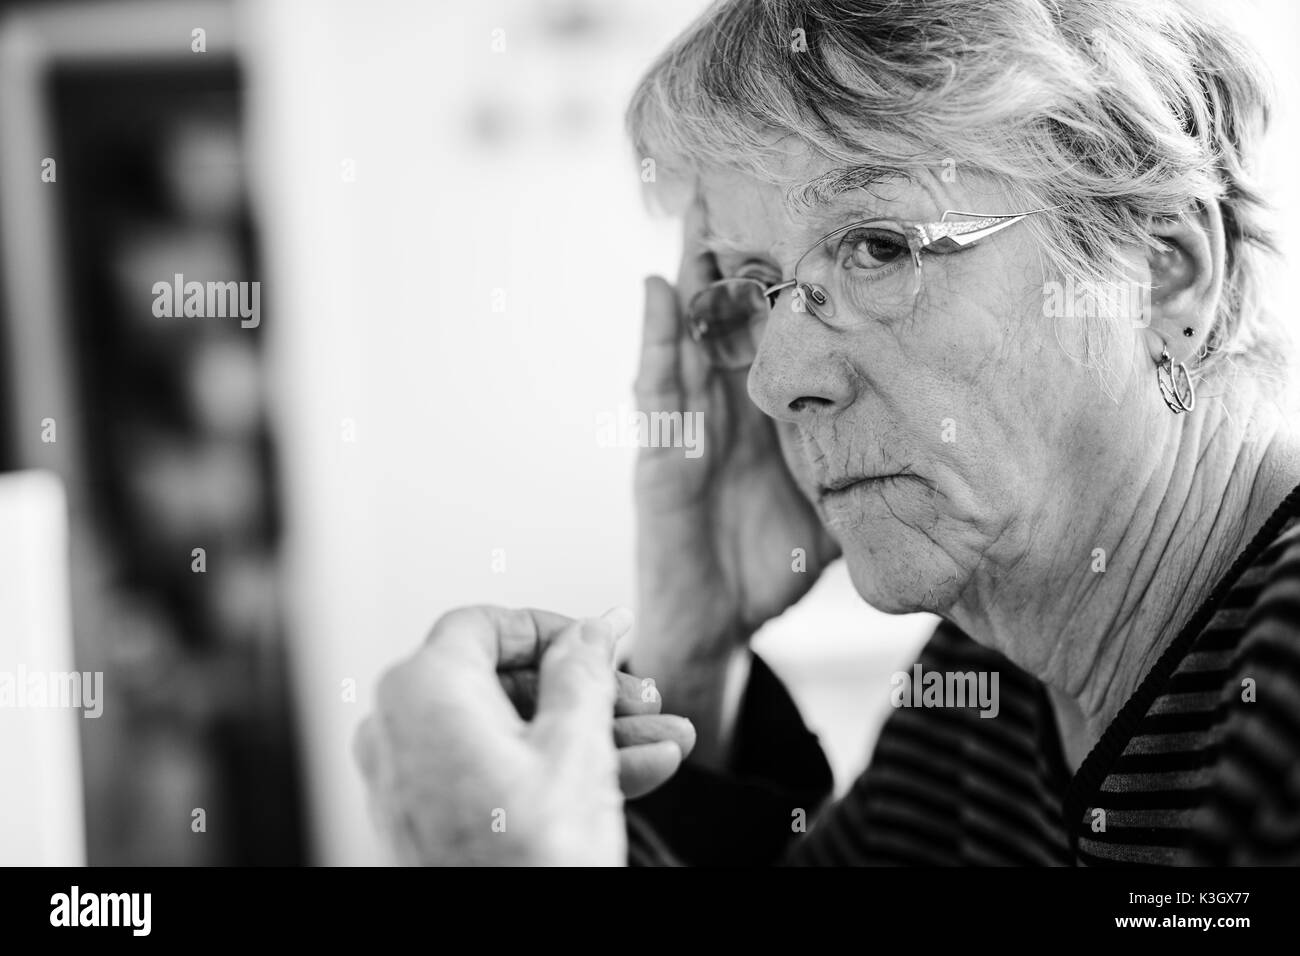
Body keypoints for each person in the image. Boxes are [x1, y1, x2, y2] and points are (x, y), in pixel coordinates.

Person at [355, 0, 1300, 865]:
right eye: (757, 285)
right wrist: (690, 651)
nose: (771, 381)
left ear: (1166, 276)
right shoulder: (991, 674)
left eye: (880, 246)